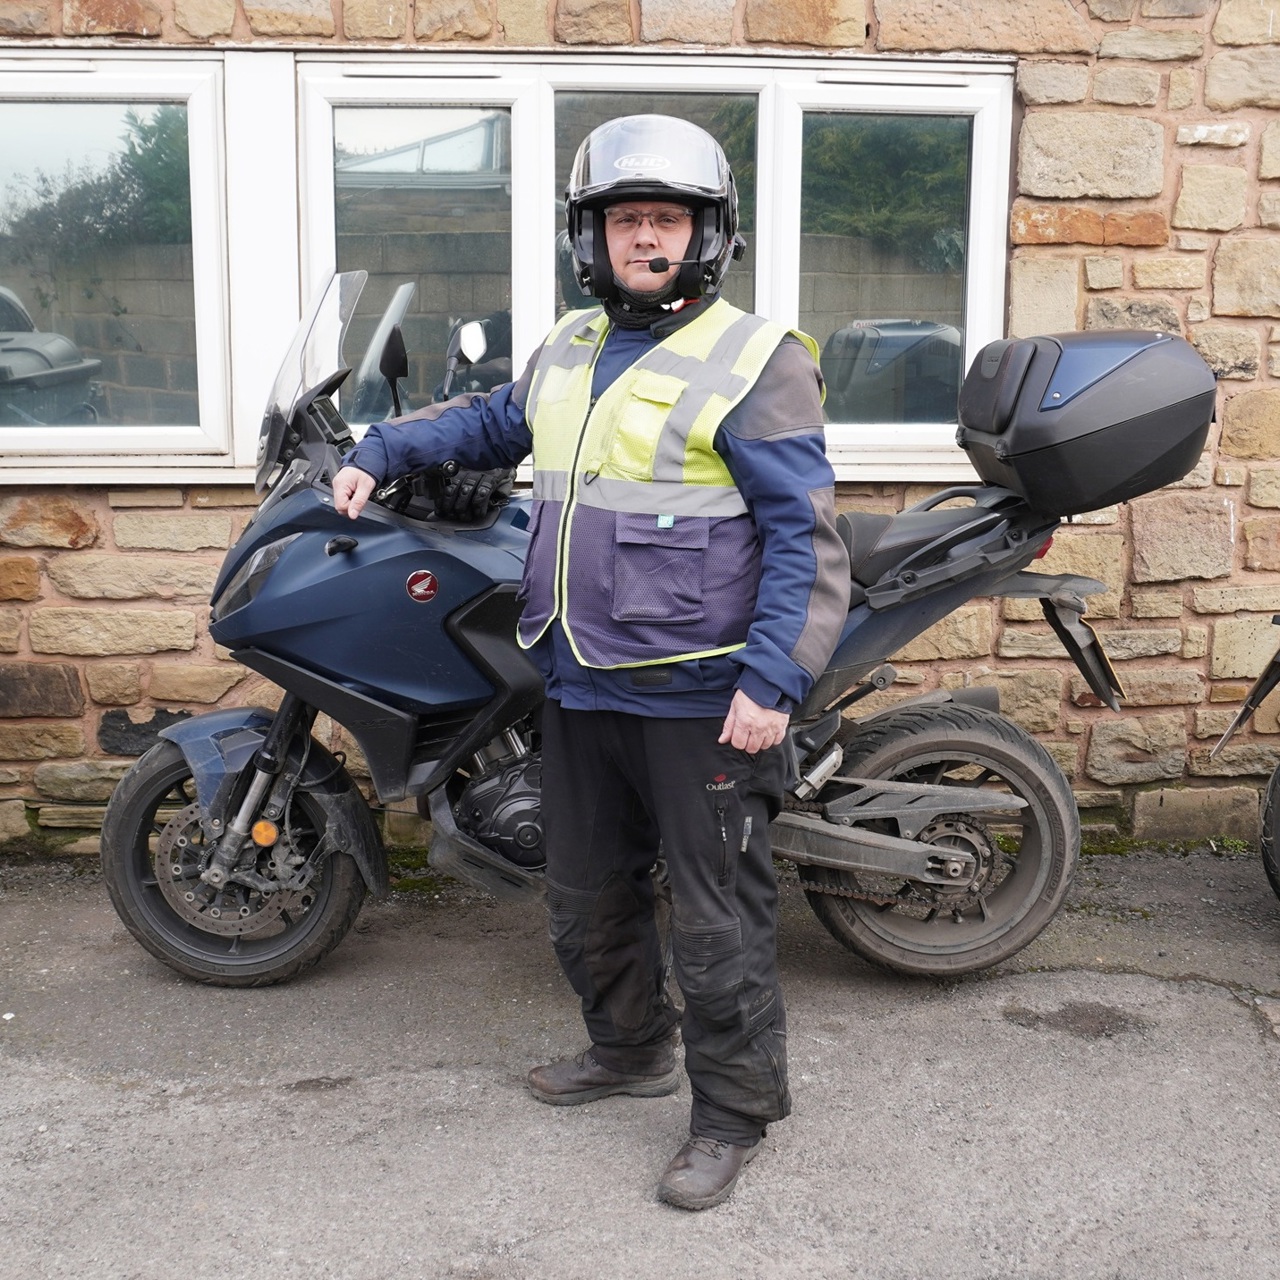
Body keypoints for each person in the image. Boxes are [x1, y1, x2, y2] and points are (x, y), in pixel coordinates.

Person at [332, 114, 849, 1211]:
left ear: (707, 237)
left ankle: (731, 1112)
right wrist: (379, 451)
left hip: (700, 692)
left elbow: (806, 537)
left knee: (716, 919)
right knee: (584, 896)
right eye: (625, 219)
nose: (645, 237)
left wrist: (772, 680)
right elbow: (487, 425)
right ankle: (626, 1050)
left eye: (666, 219)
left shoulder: (756, 360)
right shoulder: (567, 345)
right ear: (591, 237)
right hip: (577, 675)